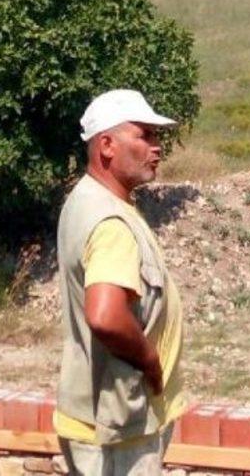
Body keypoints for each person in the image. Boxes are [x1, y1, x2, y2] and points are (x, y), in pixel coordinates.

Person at [55, 89, 186, 476]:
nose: (157, 147)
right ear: (107, 145)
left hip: (101, 414)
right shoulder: (111, 223)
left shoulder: (85, 198)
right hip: (119, 424)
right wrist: (151, 362)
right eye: (144, 135)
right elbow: (106, 316)